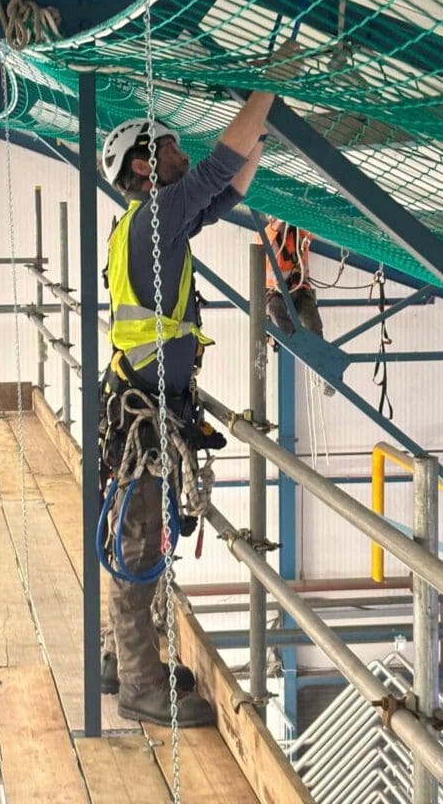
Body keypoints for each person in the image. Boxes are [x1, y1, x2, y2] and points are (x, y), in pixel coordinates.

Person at [98, 52, 296, 727]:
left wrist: (261, 131)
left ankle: (121, 660)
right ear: (146, 165)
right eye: (172, 147)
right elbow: (215, 172)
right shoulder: (153, 217)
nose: (182, 153)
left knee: (138, 539)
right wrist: (269, 86)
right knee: (138, 549)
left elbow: (226, 192)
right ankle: (139, 686)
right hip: (146, 413)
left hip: (148, 406)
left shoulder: (153, 223)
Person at [259, 218, 324, 337]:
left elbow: (313, 229)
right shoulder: (264, 235)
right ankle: (292, 340)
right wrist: (282, 217)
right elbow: (269, 233)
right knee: (275, 310)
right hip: (276, 292)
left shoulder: (299, 234)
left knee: (312, 325)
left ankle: (316, 345)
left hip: (300, 288)